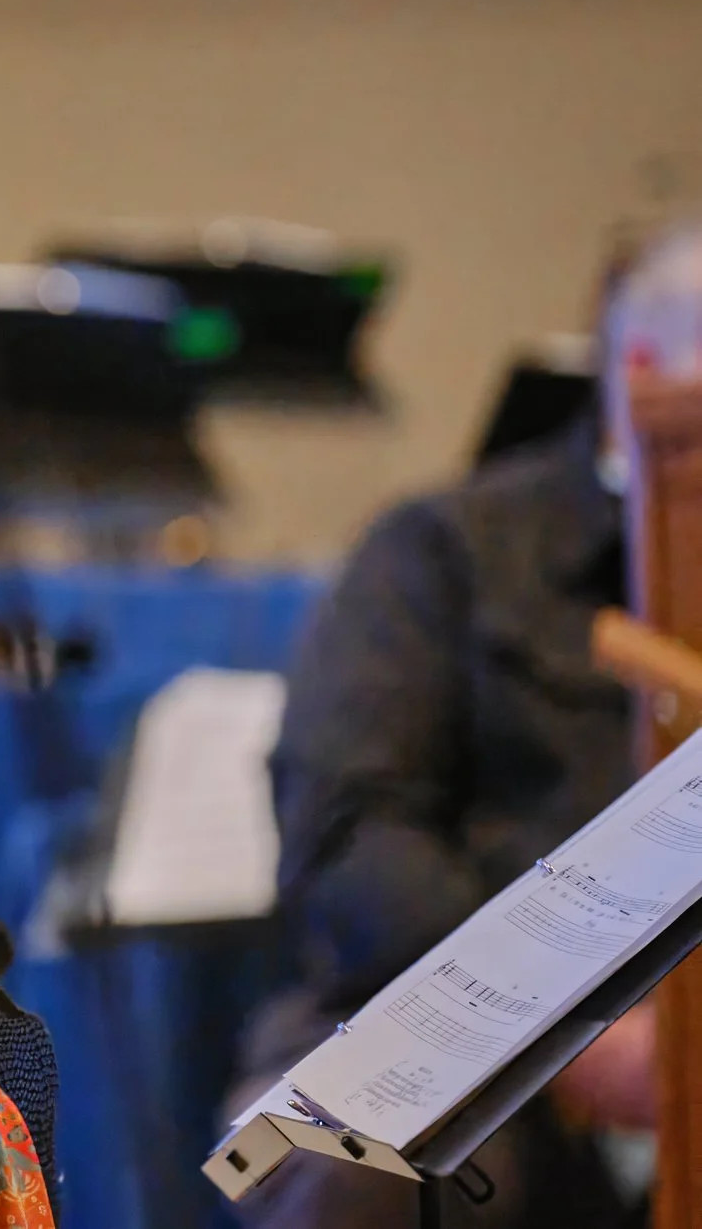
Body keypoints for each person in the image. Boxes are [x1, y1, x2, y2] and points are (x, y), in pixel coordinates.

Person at [231, 223, 702, 1228]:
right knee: (350, 1175)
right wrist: (573, 1029)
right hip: (465, 1039)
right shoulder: (446, 549)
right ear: (640, 369)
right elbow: (351, 845)